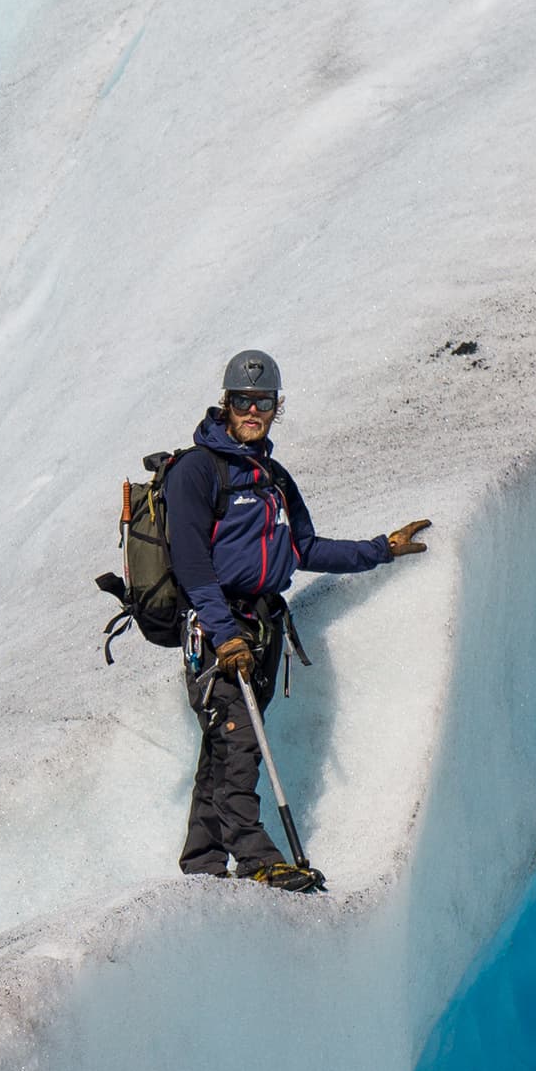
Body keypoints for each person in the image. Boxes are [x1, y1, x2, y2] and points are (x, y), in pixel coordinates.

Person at [165, 349, 430, 891]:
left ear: (276, 406)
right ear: (226, 402)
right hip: (218, 632)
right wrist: (223, 633)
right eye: (242, 400)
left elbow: (304, 546)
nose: (251, 410)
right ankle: (258, 861)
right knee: (240, 743)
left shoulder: (273, 478)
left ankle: (203, 866)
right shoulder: (196, 471)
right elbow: (190, 563)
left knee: (223, 747)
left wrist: (381, 549)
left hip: (261, 632)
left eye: (262, 402)